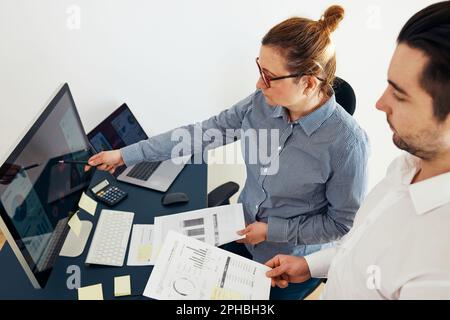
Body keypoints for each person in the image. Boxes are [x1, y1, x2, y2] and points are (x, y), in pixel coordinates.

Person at [88, 5, 370, 300]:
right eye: (260, 69)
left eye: (270, 76)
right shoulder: (260, 104)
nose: (259, 83)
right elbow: (200, 134)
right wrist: (124, 155)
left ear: (309, 82)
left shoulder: (348, 144)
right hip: (238, 229)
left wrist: (272, 230)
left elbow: (341, 224)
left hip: (287, 260)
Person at [265, 1, 450, 300]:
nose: (379, 103)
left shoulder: (440, 267)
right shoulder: (406, 166)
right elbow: (359, 245)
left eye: (399, 95)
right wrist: (309, 265)